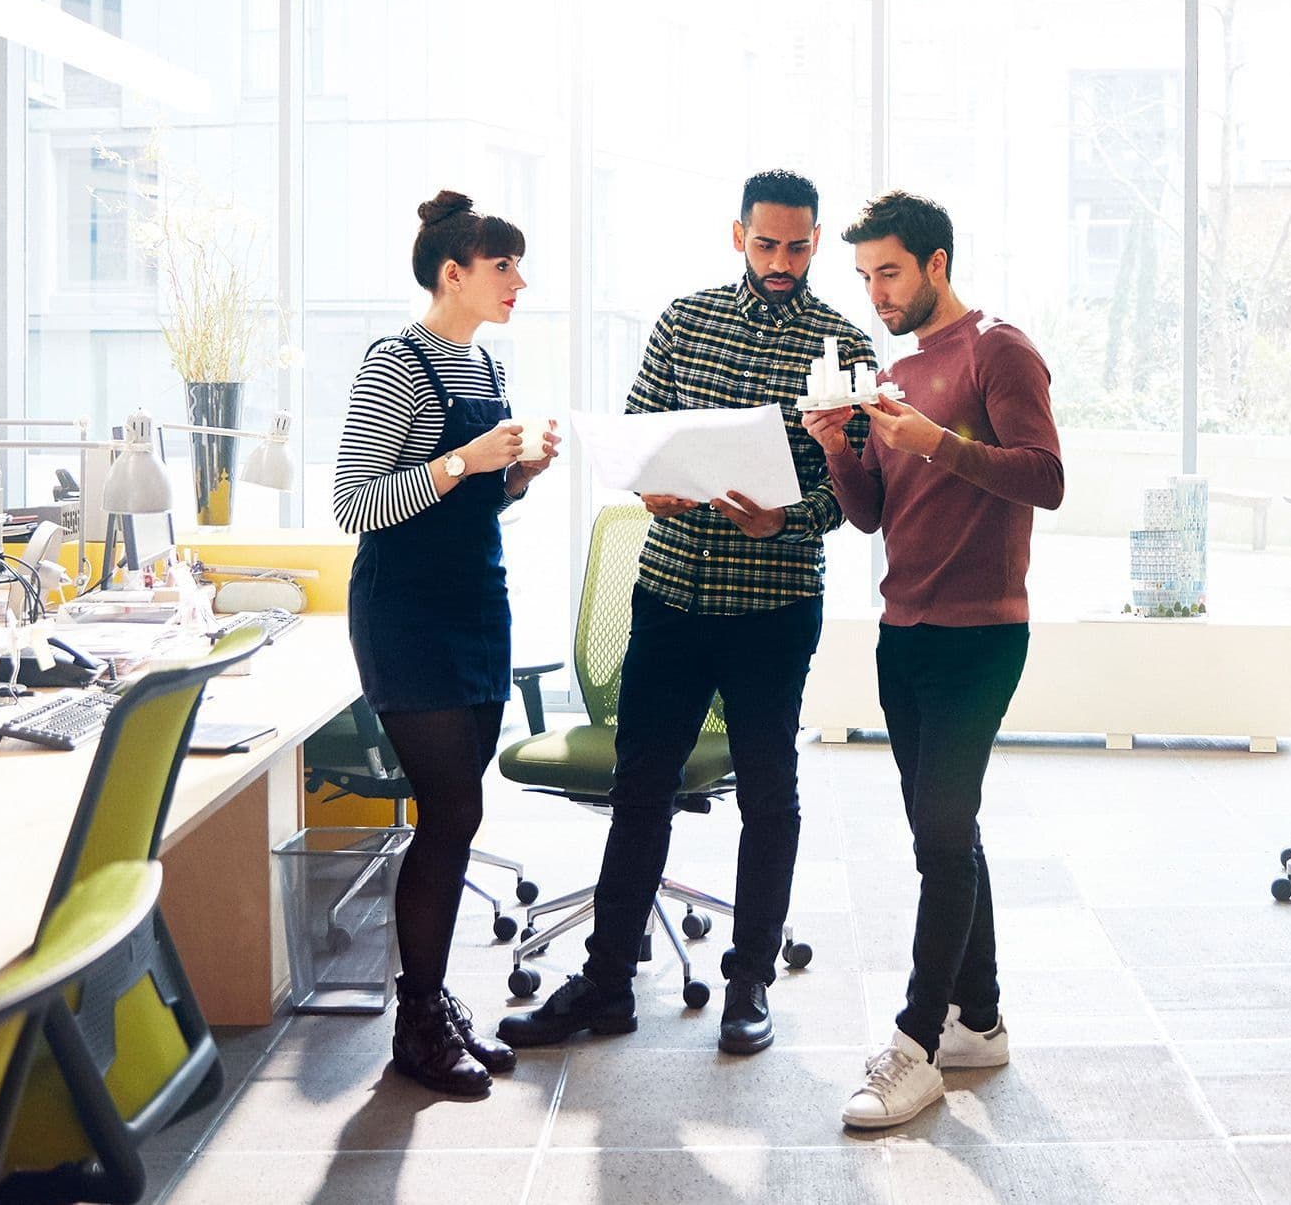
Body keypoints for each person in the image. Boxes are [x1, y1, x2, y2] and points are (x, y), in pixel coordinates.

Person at [498, 169, 874, 1059]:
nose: (780, 261)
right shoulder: (683, 319)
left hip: (773, 604)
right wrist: (651, 484)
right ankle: (605, 983)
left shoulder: (844, 344)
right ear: (736, 234)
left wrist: (790, 515)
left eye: (797, 245)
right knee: (641, 786)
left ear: (817, 240)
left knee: (767, 794)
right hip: (669, 590)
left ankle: (749, 981)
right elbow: (638, 435)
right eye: (765, 243)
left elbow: (858, 491)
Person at [804, 190, 1064, 1132]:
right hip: (902, 626)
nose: (875, 290)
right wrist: (845, 450)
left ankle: (915, 1046)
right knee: (939, 833)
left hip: (979, 632)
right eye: (865, 274)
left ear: (936, 263)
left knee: (943, 841)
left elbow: (1046, 475)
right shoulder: (896, 366)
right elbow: (874, 511)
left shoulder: (997, 348)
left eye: (889, 271)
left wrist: (937, 440)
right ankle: (979, 1020)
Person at [334, 189, 560, 1097]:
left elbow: (473, 500)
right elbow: (356, 503)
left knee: (458, 816)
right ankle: (417, 1023)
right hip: (408, 615)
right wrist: (465, 460)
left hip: (478, 604)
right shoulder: (395, 364)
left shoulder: (484, 367)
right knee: (451, 815)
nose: (519, 282)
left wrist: (515, 477)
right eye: (504, 266)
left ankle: (431, 1003)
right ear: (453, 273)